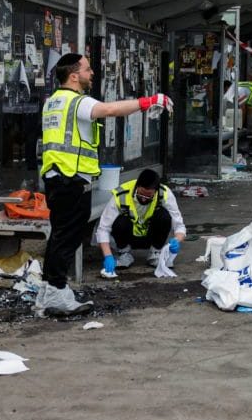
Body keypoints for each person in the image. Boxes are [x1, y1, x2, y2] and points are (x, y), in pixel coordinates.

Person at [38, 53, 173, 315]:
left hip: (56, 178)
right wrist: (148, 102)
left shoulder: (53, 102)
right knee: (67, 237)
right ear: (74, 76)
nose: (92, 74)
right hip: (71, 178)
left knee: (60, 236)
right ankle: (55, 292)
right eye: (88, 70)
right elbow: (109, 110)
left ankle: (50, 290)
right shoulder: (77, 102)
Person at [96, 169, 186, 278]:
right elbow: (103, 228)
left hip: (151, 237)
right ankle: (124, 253)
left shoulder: (165, 193)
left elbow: (179, 225)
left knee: (164, 216)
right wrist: (108, 256)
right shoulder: (121, 194)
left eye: (149, 196)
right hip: (128, 237)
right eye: (141, 194)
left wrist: (177, 240)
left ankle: (155, 253)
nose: (144, 199)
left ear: (156, 191)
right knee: (119, 221)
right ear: (137, 186)